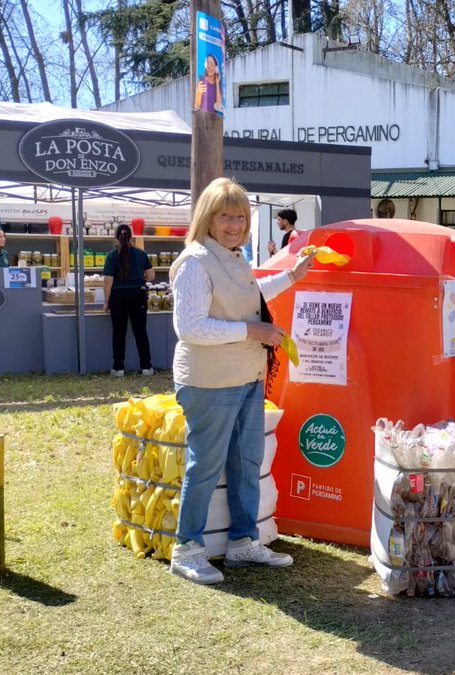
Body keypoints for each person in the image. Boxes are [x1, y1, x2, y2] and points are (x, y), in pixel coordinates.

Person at [168, 177, 314, 584]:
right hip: (210, 381)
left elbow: (251, 295)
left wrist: (293, 275)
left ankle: (242, 542)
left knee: (246, 462)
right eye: (225, 216)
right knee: (207, 464)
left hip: (246, 376)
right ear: (208, 218)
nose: (235, 224)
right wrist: (254, 333)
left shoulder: (231, 257)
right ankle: (187, 548)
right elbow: (191, 327)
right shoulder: (196, 262)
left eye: (241, 217)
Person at [102, 224, 156, 377]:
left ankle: (118, 368)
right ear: (131, 237)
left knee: (119, 333)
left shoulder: (112, 256)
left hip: (118, 297)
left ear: (116, 238)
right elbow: (151, 276)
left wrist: (106, 302)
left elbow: (107, 280)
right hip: (138, 294)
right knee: (140, 332)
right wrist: (139, 278)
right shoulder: (141, 254)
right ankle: (147, 367)